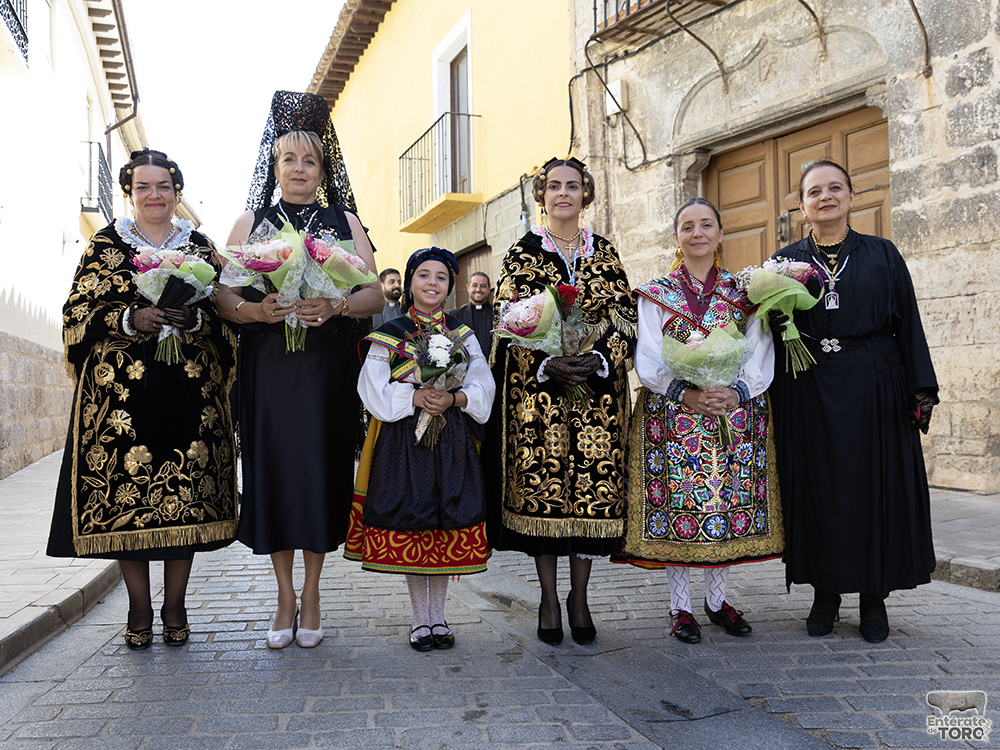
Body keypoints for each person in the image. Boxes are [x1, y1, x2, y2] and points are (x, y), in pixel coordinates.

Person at [47, 148, 238, 650]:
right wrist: (131, 318)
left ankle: (174, 605)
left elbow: (226, 314)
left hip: (188, 393)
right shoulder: (105, 245)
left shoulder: (200, 246)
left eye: (164, 187)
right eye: (143, 187)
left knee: (185, 499)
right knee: (124, 498)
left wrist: (192, 321)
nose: (155, 195)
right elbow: (77, 313)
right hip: (119, 400)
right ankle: (138, 605)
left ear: (177, 191)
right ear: (130, 193)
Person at [216, 91, 382, 649]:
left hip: (324, 374)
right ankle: (284, 593)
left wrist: (335, 304)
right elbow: (223, 294)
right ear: (276, 165)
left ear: (322, 168)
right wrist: (253, 310)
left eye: (310, 160)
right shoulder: (251, 222)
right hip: (269, 371)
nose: (299, 169)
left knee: (318, 472)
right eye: (289, 159)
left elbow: (374, 294)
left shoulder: (345, 222)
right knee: (276, 474)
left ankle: (312, 591)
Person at [770, 160, 938, 643]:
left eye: (835, 188)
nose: (826, 197)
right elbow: (770, 331)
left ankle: (873, 599)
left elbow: (907, 321)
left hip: (874, 386)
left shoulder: (883, 254)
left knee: (872, 489)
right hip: (809, 390)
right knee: (820, 489)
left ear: (851, 196)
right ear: (802, 205)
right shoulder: (784, 262)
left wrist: (920, 389)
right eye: (815, 191)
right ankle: (825, 594)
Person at [615, 198, 781, 644]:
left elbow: (760, 350)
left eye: (706, 225)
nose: (697, 233)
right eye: (687, 226)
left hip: (731, 413)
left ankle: (717, 601)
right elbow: (647, 357)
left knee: (723, 505)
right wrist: (685, 392)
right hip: (673, 417)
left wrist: (735, 392)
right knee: (678, 507)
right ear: (676, 238)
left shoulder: (745, 292)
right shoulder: (655, 294)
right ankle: (681, 606)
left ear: (721, 234)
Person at [486, 157, 636, 646]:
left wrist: (595, 357)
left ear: (585, 194)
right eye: (554, 186)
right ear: (542, 195)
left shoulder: (605, 252)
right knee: (545, 498)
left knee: (591, 498)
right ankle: (550, 598)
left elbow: (624, 316)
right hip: (541, 398)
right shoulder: (521, 252)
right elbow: (507, 324)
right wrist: (547, 363)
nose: (564, 194)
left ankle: (580, 596)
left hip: (596, 398)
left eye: (573, 186)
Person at [348, 247, 495, 651]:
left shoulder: (462, 334)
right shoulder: (391, 332)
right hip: (404, 440)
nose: (432, 283)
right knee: (415, 520)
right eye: (424, 275)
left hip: (451, 438)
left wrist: (454, 399)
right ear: (411, 282)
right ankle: (419, 620)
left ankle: (439, 617)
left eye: (441, 278)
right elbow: (371, 386)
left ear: (450, 286)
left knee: (445, 519)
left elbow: (483, 383)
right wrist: (413, 399)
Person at [449, 271, 493, 354]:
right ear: (468, 288)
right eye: (474, 285)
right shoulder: (455, 316)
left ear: (489, 289)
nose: (478, 290)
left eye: (483, 286)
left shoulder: (498, 313)